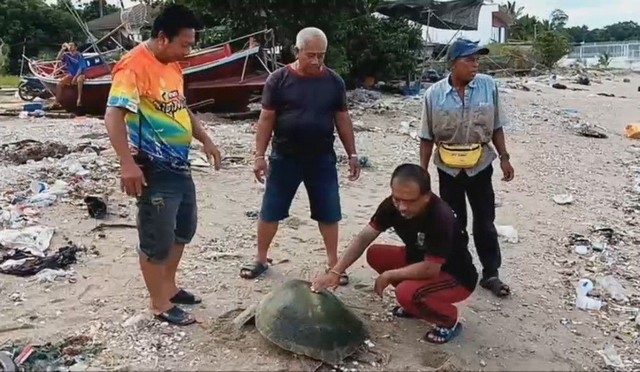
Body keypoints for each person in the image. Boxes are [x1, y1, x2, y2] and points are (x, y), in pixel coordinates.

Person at [104, 4, 222, 326]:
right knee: (157, 238)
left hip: (179, 164)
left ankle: (168, 287)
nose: (188, 50)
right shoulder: (132, 67)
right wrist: (127, 164)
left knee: (184, 228)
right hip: (153, 168)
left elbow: (181, 109)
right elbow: (113, 115)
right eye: (184, 44)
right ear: (161, 38)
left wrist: (205, 139)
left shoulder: (173, 66)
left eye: (191, 44)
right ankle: (158, 304)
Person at [239, 27, 361, 284]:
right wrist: (258, 155)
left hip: (321, 158)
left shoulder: (334, 82)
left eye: (321, 55)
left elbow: (343, 118)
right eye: (311, 55)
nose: (317, 61)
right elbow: (266, 118)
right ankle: (261, 258)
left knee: (329, 212)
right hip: (285, 156)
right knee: (270, 210)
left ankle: (333, 263)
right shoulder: (278, 79)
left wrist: (352, 153)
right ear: (297, 51)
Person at [311, 164, 478, 344]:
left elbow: (430, 269)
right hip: (420, 259)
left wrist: (390, 275)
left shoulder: (440, 216)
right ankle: (416, 305)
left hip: (455, 277)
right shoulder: (392, 205)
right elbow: (364, 237)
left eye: (410, 201)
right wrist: (336, 272)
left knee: (405, 293)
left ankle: (448, 320)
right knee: (375, 254)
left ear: (426, 197)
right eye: (397, 199)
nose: (402, 207)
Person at [418, 38, 514, 298]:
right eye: (469, 60)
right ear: (453, 64)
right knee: (453, 220)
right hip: (448, 168)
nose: (475, 65)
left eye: (477, 60)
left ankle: (491, 273)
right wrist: (422, 171)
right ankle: (457, 270)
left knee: (485, 222)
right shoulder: (433, 95)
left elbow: (496, 126)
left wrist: (504, 157)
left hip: (480, 164)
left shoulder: (489, 87)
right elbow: (426, 136)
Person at [56, 42, 86, 107]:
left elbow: (81, 68)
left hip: (80, 74)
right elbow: (58, 58)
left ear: (76, 47)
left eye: (72, 45)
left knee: (79, 80)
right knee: (59, 83)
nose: (70, 47)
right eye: (69, 45)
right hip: (71, 74)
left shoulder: (79, 55)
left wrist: (75, 77)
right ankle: (56, 102)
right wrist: (62, 49)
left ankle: (79, 99)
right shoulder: (67, 55)